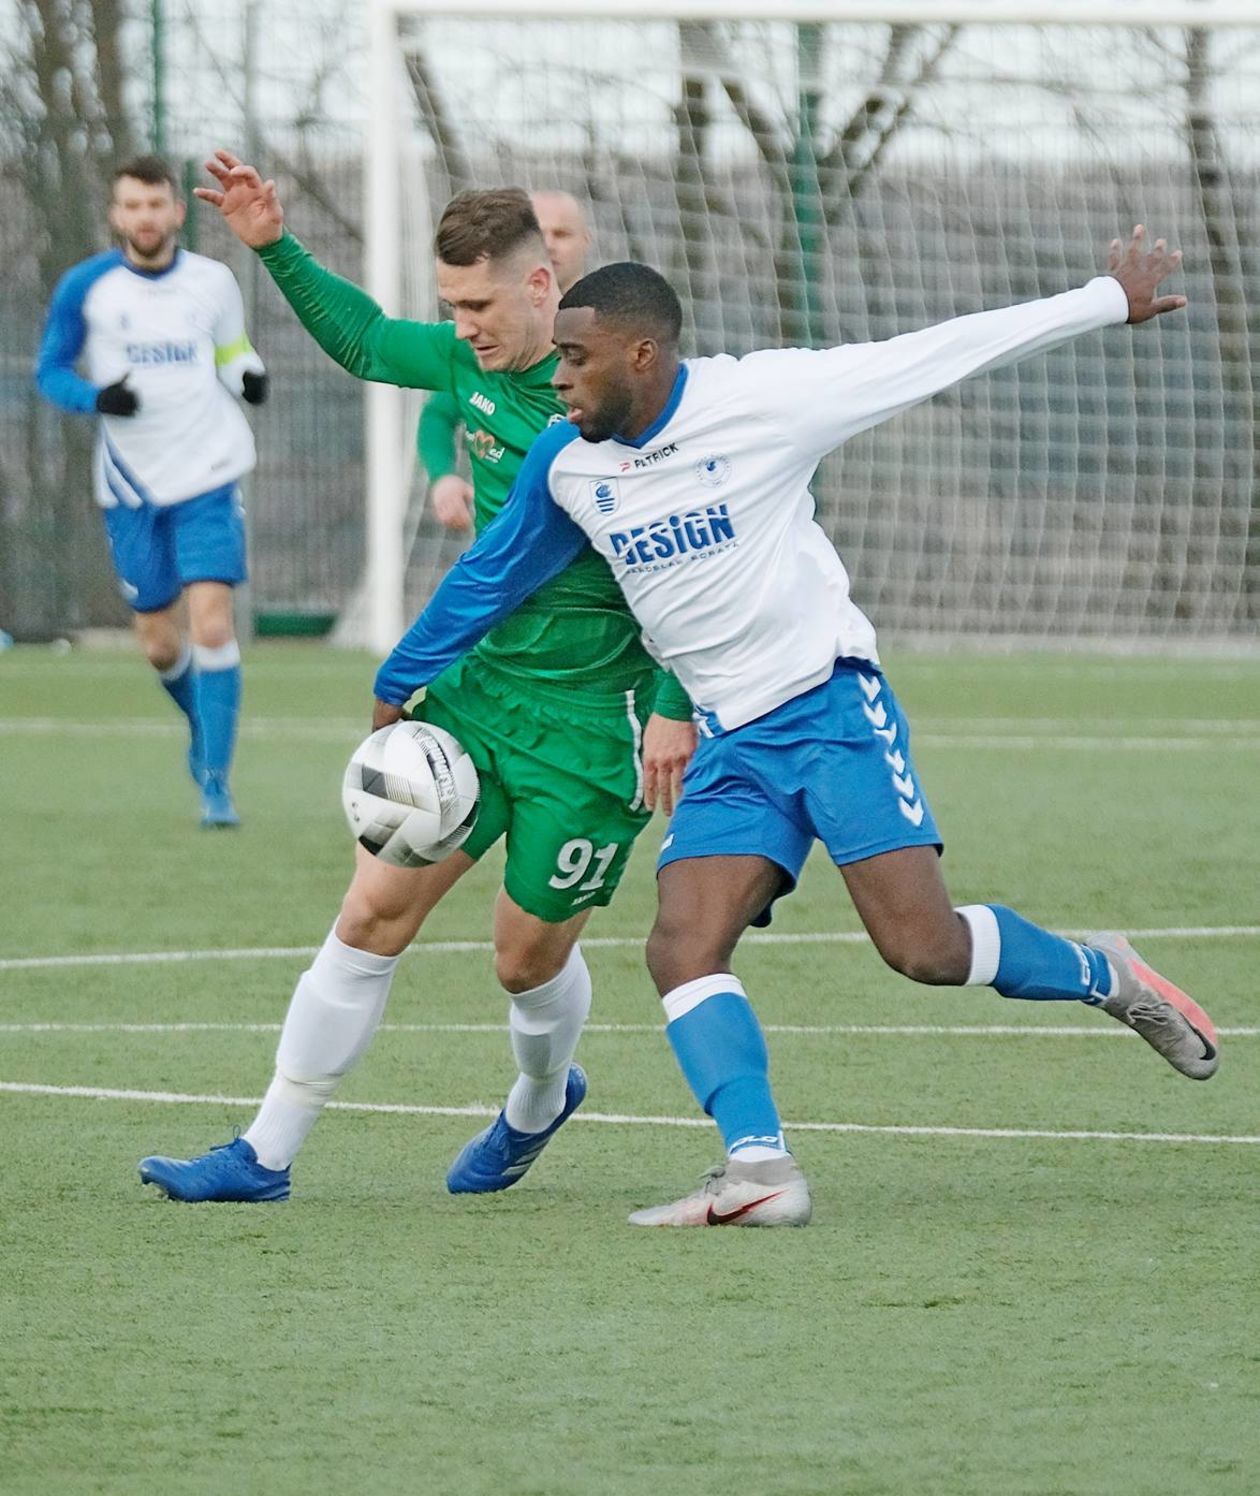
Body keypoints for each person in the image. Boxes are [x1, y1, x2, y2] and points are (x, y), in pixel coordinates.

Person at [351, 232, 1220, 1230]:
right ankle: (760, 1166)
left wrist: (1105, 297)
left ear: (642, 355)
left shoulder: (766, 400)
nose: (558, 379)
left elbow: (938, 351)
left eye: (577, 360)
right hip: (729, 743)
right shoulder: (569, 463)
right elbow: (494, 574)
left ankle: (1104, 972)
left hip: (828, 709)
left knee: (923, 950)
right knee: (682, 946)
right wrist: (399, 677)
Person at [138, 154, 695, 1203]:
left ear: (542, 287)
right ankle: (264, 1153)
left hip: (593, 725)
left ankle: (538, 1100)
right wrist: (272, 245)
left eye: (480, 303)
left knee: (523, 961)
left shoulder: (618, 404)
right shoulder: (461, 364)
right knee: (370, 914)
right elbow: (360, 340)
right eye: (451, 305)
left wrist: (674, 705)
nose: (465, 324)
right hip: (480, 697)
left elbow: (698, 569)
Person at [35, 154, 268, 827]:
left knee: (214, 623)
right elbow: (49, 372)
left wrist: (248, 375)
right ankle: (201, 725)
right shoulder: (87, 288)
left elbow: (231, 351)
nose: (145, 217)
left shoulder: (213, 281)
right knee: (161, 645)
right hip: (131, 485)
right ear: (117, 214)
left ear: (175, 211)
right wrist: (96, 396)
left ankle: (216, 787)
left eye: (155, 204)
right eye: (132, 206)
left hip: (210, 472)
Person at [420, 190, 592, 533]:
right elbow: (438, 414)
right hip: (506, 561)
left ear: (587, 242)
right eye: (541, 233)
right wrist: (443, 477)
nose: (550, 244)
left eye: (562, 234)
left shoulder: (609, 335)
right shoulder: (487, 344)